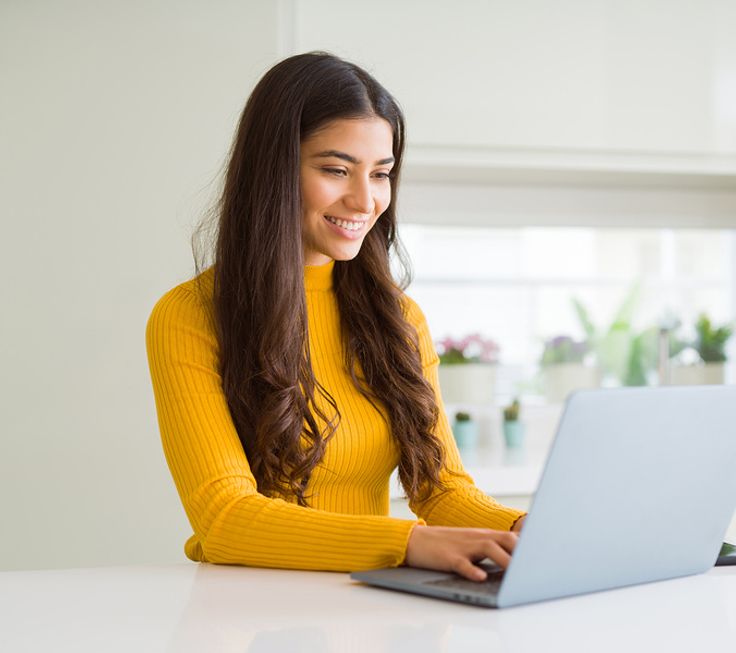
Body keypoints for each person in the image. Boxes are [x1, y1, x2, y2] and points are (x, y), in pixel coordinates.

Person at [146, 52, 524, 582]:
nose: (365, 200)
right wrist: (410, 544)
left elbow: (442, 490)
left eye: (381, 174)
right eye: (336, 169)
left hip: (366, 603)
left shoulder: (399, 318)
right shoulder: (191, 315)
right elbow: (225, 518)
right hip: (245, 611)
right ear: (274, 169)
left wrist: (527, 528)